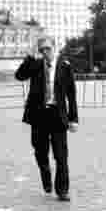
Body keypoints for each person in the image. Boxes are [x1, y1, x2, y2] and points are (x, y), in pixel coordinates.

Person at [15, 37, 79, 201]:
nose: (45, 52)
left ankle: (62, 190)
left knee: (61, 155)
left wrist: (73, 119)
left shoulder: (65, 66)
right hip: (39, 116)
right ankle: (45, 173)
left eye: (47, 48)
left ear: (54, 47)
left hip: (58, 115)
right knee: (40, 151)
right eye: (42, 49)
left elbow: (71, 94)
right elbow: (20, 76)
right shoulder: (35, 65)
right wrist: (29, 56)